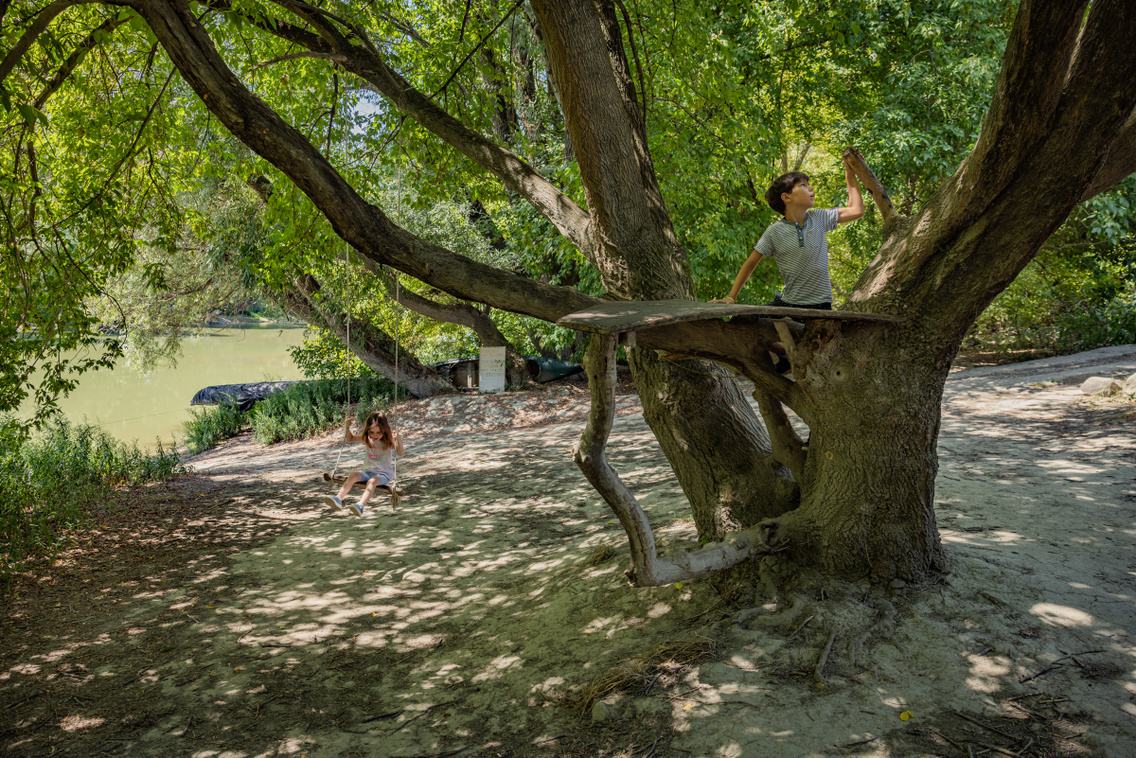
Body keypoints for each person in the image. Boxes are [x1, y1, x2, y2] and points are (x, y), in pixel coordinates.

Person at [711, 156, 865, 371]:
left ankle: (790, 358)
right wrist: (731, 297)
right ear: (786, 197)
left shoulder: (819, 218)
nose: (811, 189)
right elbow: (750, 263)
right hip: (788, 304)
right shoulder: (774, 232)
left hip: (819, 306)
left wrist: (850, 174)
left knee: (817, 358)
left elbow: (857, 210)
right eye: (803, 185)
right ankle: (782, 353)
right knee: (740, 320)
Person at [322, 411, 404, 516]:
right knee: (353, 475)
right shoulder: (367, 438)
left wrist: (399, 438)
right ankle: (338, 499)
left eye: (378, 432)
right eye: (372, 432)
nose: (375, 435)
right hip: (368, 472)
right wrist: (347, 428)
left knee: (372, 481)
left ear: (384, 430)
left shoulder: (389, 440)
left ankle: (360, 505)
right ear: (368, 431)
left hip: (383, 475)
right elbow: (350, 438)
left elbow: (400, 453)